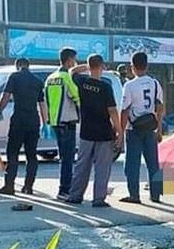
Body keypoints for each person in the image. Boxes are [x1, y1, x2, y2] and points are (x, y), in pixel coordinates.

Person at [65, 54, 123, 207]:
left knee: (82, 165)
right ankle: (98, 199)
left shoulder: (82, 82)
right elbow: (112, 111)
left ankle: (75, 196)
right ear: (102, 66)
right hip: (104, 133)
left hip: (86, 132)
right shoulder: (105, 87)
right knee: (102, 168)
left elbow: (72, 71)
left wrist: (87, 66)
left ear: (90, 66)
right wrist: (120, 132)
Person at [0, 57, 47, 196]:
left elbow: (5, 96)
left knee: (13, 153)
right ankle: (28, 186)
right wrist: (44, 123)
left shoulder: (14, 77)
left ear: (17, 66)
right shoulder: (37, 81)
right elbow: (42, 104)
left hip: (19, 120)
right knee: (32, 154)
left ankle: (9, 185)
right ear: (28, 66)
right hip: (34, 121)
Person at [120, 51, 164, 204]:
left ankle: (134, 195)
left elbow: (125, 111)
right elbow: (160, 107)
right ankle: (155, 195)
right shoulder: (155, 83)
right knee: (153, 164)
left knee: (132, 164)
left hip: (134, 130)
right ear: (147, 65)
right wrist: (159, 129)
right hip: (150, 129)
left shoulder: (129, 86)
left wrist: (120, 133)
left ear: (132, 67)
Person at [44, 48, 81, 200]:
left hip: (55, 123)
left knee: (62, 157)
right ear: (69, 60)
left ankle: (64, 189)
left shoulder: (50, 78)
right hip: (67, 122)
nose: (75, 63)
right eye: (74, 60)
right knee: (67, 159)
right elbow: (77, 97)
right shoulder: (67, 77)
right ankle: (64, 190)